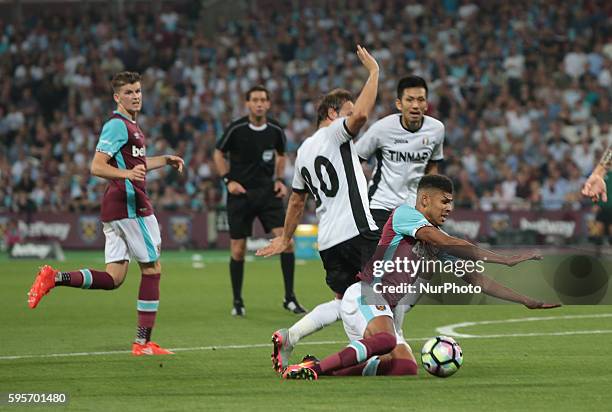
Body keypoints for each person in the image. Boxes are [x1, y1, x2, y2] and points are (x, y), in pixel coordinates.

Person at [282, 175, 560, 379]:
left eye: (452, 203)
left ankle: (324, 368)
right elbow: (441, 238)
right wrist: (504, 258)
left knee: (405, 366)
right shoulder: (405, 215)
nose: (449, 208)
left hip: (384, 312)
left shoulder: (436, 246)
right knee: (388, 342)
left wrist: (526, 300)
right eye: (445, 201)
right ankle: (313, 371)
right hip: (365, 295)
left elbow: (479, 281)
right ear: (425, 200)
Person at [27, 71, 184, 356]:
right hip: (130, 204)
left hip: (115, 206)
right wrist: (127, 174)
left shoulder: (131, 127)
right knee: (152, 269)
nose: (135, 96)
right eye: (129, 92)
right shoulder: (117, 125)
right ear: (117, 97)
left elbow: (137, 162)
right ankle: (143, 343)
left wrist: (165, 160)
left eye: (138, 91)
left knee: (114, 278)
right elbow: (97, 166)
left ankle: (54, 277)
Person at [257, 44, 381, 373]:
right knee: (380, 300)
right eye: (345, 110)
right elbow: (362, 116)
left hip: (328, 243)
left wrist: (286, 238)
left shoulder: (303, 152)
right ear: (331, 114)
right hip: (357, 234)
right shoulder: (334, 135)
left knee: (344, 303)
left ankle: (291, 335)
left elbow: (297, 200)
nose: (350, 116)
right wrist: (374, 73)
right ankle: (377, 351)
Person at [213, 85, 305, 316]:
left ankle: (290, 298)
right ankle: (237, 302)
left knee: (287, 242)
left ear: (269, 103)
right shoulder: (236, 128)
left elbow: (281, 154)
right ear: (247, 103)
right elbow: (218, 153)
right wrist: (227, 180)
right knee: (237, 249)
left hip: (267, 194)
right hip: (240, 195)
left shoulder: (275, 129)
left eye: (263, 99)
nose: (259, 103)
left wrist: (279, 179)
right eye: (254, 99)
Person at [355, 75, 445, 229]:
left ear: (426, 104)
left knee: (418, 253)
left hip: (413, 209)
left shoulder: (436, 129)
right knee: (379, 253)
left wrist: (431, 203)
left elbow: (432, 167)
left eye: (420, 100)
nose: (415, 105)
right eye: (409, 100)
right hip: (380, 206)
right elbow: (354, 159)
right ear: (399, 104)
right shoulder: (382, 128)